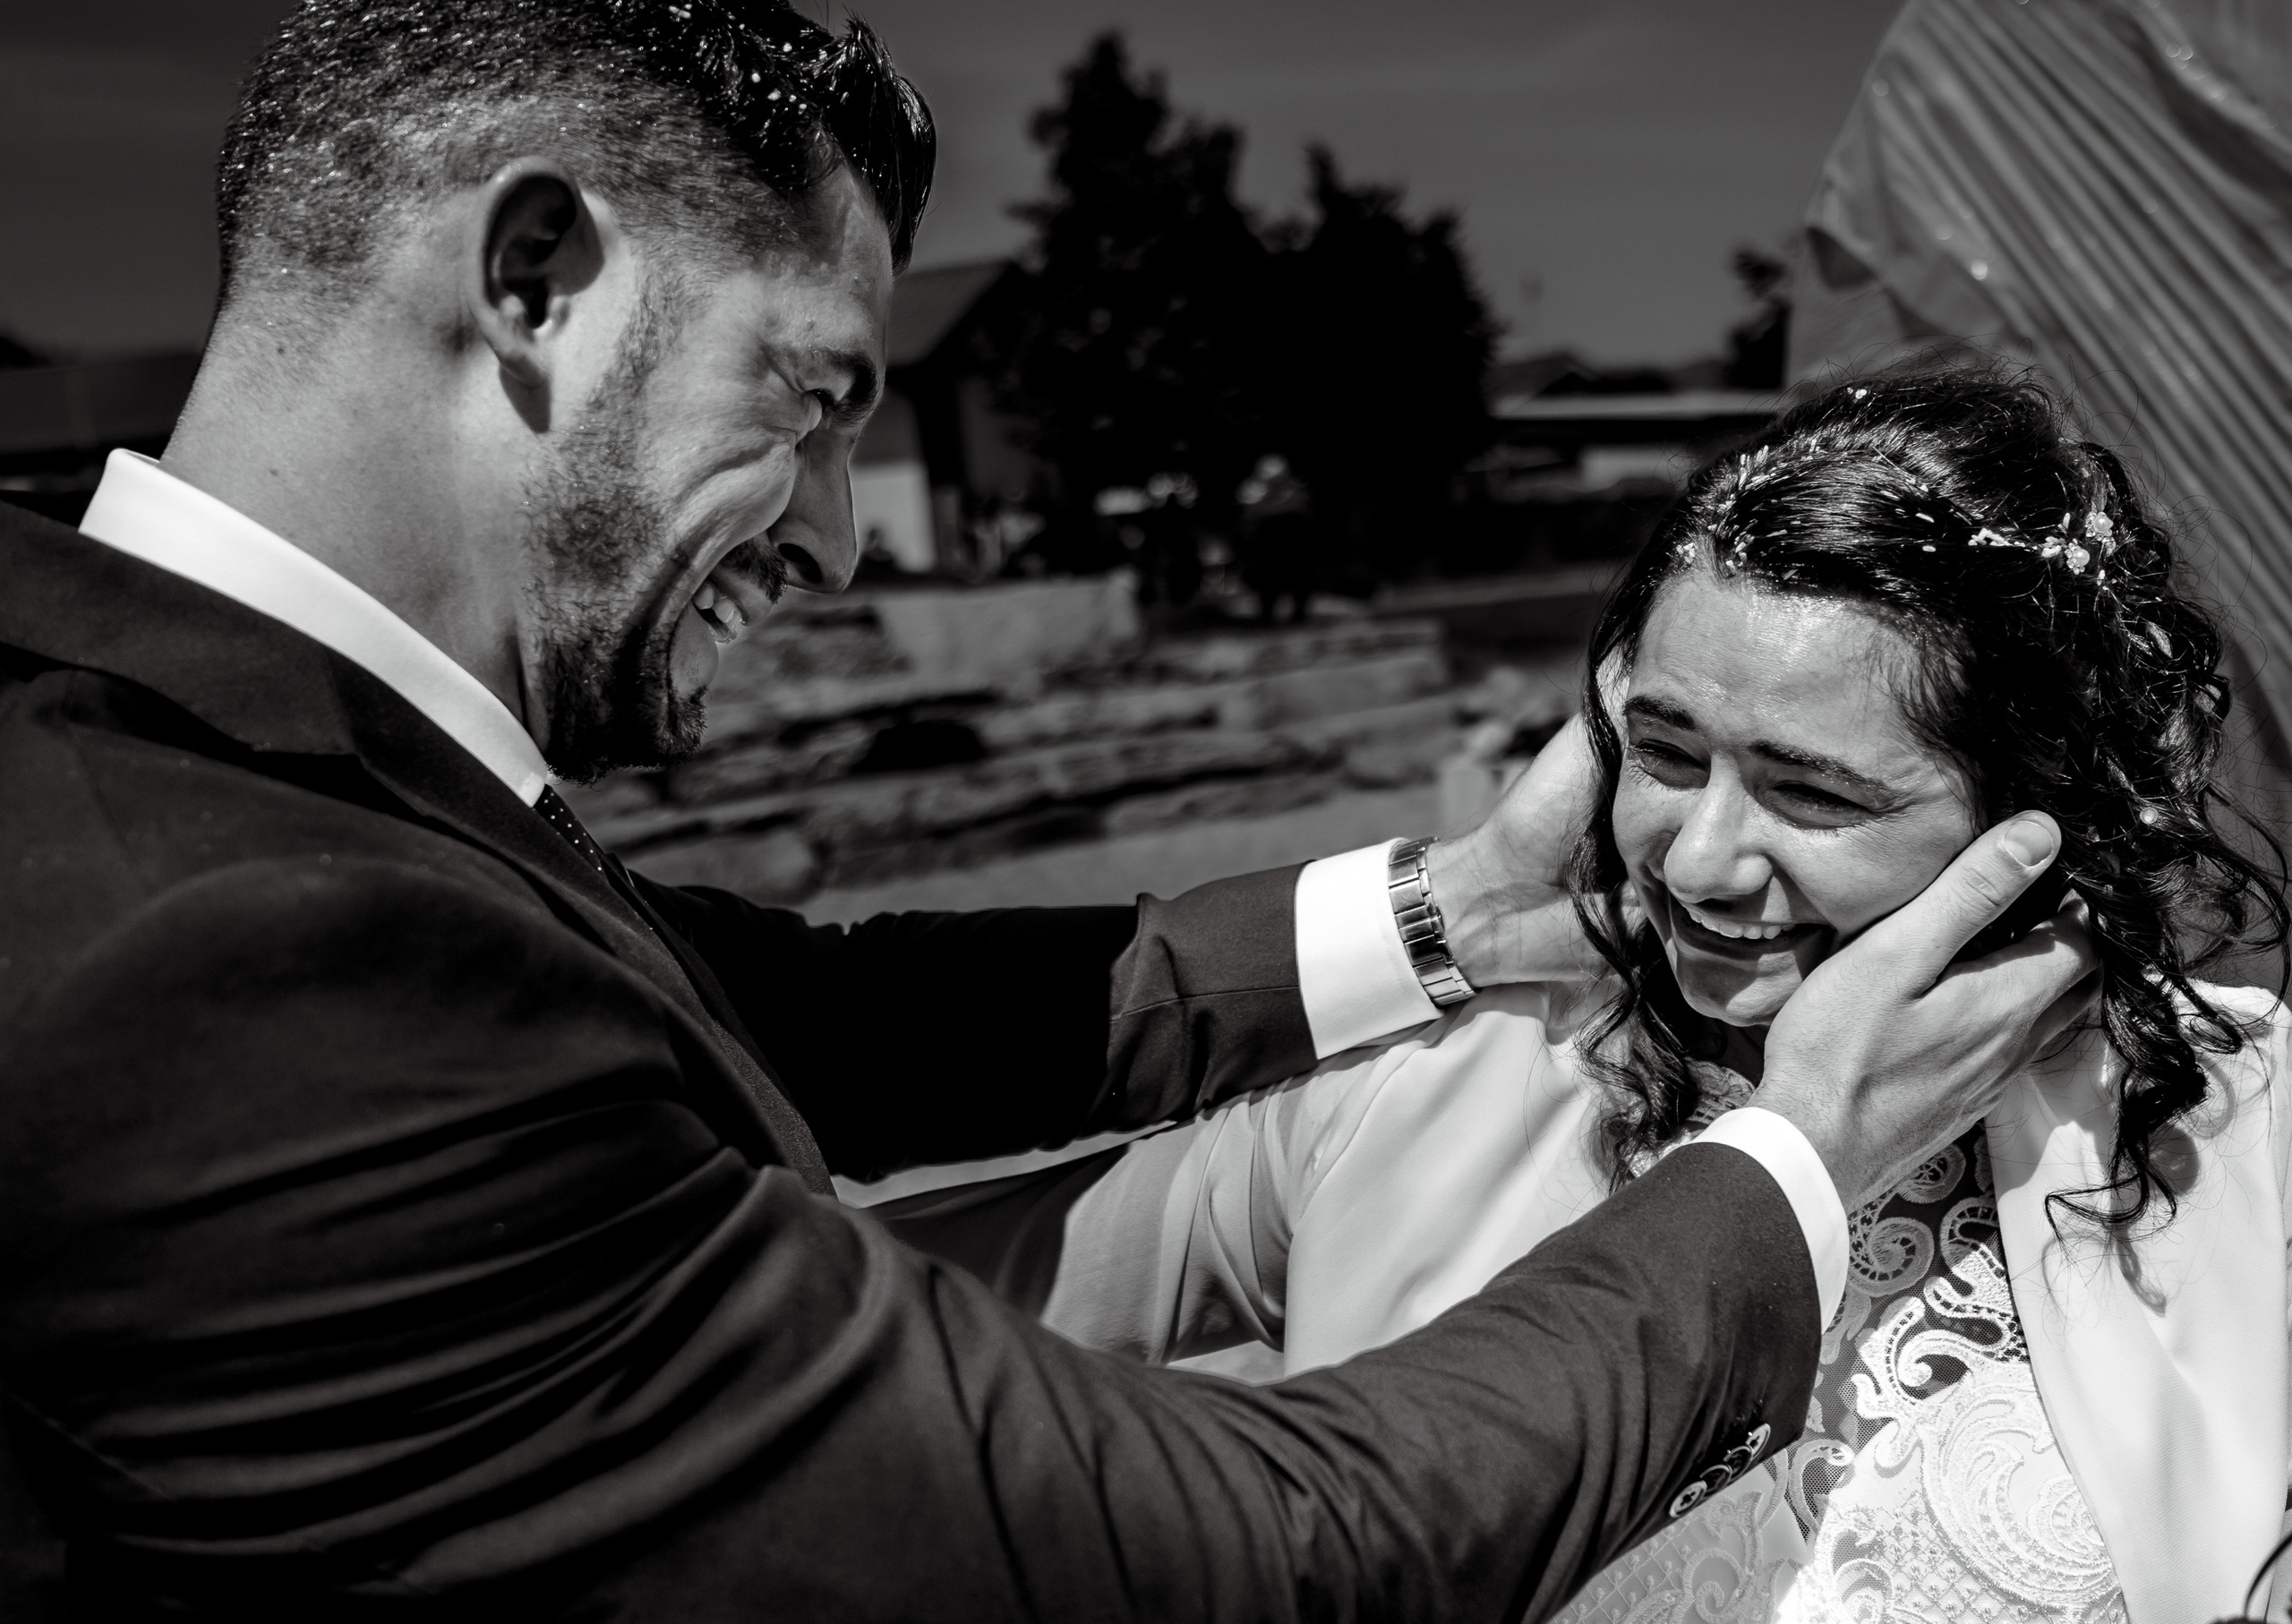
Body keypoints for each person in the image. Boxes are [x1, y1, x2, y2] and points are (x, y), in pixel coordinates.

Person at [0, 4, 2092, 1618]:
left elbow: (798, 1016)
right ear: (533, 273)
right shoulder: (232, 956)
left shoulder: (182, 770)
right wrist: (1791, 1158)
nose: (829, 536)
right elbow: (1261, 1558)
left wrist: (1451, 906)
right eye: (814, 398)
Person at [1022, 372, 2288, 1622]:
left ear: (2044, 820)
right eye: (1668, 751)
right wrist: (1441, 908)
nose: (1693, 860)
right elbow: (869, 1330)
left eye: (1816, 793)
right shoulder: (1445, 1079)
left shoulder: (2253, 1118)